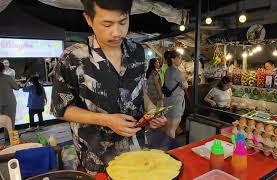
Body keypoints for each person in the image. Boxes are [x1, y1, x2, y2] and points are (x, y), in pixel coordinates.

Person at [51, 0, 166, 173]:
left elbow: (140, 91)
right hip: (97, 158)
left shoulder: (138, 52)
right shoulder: (73, 58)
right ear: (88, 19)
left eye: (123, 22)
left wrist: (151, 111)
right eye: (107, 24)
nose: (117, 32)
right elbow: (61, 110)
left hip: (136, 150)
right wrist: (106, 120)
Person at [163, 51, 188, 138]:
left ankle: (166, 146)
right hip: (176, 102)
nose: (181, 60)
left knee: (168, 128)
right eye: (179, 58)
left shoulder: (167, 70)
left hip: (168, 101)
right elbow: (186, 85)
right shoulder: (176, 72)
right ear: (173, 59)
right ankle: (170, 148)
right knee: (172, 129)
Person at [0, 61, 19, 141]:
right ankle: (11, 139)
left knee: (3, 122)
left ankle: (6, 137)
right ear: (3, 69)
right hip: (9, 102)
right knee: (10, 121)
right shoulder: (7, 77)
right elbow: (16, 87)